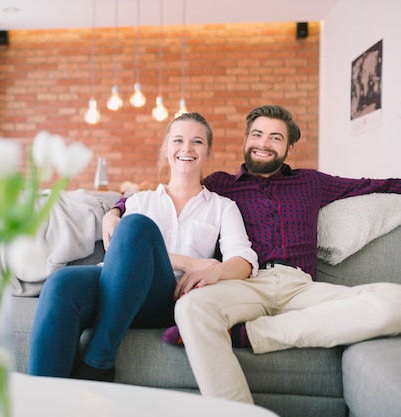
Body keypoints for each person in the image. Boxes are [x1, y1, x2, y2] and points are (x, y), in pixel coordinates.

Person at [103, 104, 401, 403]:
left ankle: (253, 334)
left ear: (289, 146)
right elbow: (171, 187)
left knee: (394, 304)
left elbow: (372, 185)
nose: (263, 143)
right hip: (245, 283)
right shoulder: (221, 185)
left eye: (275, 137)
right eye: (257, 134)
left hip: (300, 286)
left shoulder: (312, 181)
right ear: (245, 140)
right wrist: (115, 210)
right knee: (190, 310)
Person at [28, 112, 258, 381]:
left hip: (166, 296)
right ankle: (42, 401)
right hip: (115, 283)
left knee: (137, 226)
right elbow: (122, 257)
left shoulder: (222, 207)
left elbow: (243, 260)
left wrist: (215, 271)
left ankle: (99, 359)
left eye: (197, 142)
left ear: (208, 152)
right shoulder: (140, 200)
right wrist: (192, 263)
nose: (186, 148)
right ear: (166, 149)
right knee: (61, 282)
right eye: (178, 140)